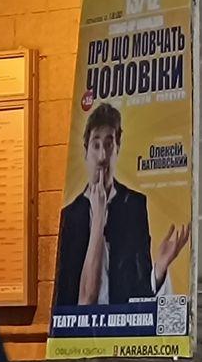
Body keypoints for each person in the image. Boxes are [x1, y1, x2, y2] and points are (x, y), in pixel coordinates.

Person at [52, 103, 191, 307]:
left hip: (123, 325)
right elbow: (74, 299)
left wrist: (159, 269)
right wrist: (98, 219)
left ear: (117, 148)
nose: (102, 156)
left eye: (109, 145)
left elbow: (139, 292)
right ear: (85, 151)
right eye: (96, 145)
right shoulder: (71, 215)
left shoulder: (134, 205)